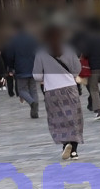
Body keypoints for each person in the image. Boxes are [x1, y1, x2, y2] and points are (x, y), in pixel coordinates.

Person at [33, 25, 84, 160]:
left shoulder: (41, 52)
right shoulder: (68, 49)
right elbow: (77, 68)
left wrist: (46, 77)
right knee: (74, 118)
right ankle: (74, 151)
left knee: (58, 120)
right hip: (69, 88)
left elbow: (37, 76)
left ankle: (66, 144)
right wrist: (70, 76)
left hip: (52, 91)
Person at [4, 21, 40, 119]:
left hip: (20, 69)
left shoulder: (13, 41)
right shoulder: (32, 38)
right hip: (33, 67)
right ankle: (35, 112)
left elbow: (10, 56)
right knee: (33, 90)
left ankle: (32, 103)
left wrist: (11, 67)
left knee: (21, 90)